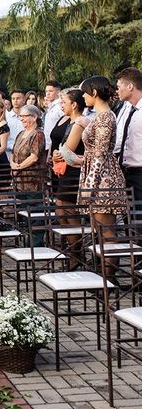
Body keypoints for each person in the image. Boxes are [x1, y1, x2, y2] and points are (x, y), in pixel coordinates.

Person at [78, 76, 127, 280]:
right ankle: (102, 277)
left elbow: (100, 153)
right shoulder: (98, 116)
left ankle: (109, 279)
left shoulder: (106, 117)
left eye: (85, 92)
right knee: (99, 231)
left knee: (107, 232)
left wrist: (90, 184)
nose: (83, 96)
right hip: (95, 173)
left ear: (95, 93)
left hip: (104, 178)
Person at [53, 88, 89, 269]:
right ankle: (73, 252)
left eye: (64, 103)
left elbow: (67, 150)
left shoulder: (80, 122)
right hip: (66, 172)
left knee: (69, 213)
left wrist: (58, 153)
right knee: (61, 212)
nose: (61, 106)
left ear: (74, 105)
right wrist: (57, 154)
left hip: (74, 173)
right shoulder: (71, 121)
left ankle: (77, 255)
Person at [11, 105, 47, 246]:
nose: (22, 119)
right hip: (20, 180)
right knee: (24, 212)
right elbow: (14, 152)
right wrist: (13, 164)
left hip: (33, 180)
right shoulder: (21, 133)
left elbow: (34, 157)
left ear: (34, 117)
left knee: (35, 211)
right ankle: (29, 240)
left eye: (25, 116)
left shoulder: (38, 134)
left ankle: (36, 243)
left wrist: (19, 167)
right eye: (20, 116)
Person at [115, 67, 142, 203]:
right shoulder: (128, 109)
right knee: (129, 219)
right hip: (126, 172)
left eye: (119, 86)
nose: (117, 90)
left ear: (130, 86)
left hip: (139, 173)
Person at [42, 80, 64, 150]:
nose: (47, 94)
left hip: (57, 146)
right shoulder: (50, 107)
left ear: (58, 92)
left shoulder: (61, 107)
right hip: (47, 145)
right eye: (46, 91)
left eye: (50, 91)